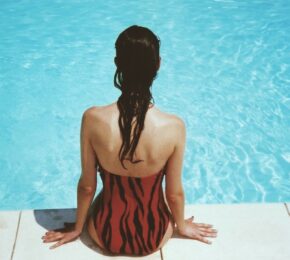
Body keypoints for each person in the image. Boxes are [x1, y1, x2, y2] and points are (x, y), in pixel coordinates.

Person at [41, 25, 217, 256]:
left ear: (117, 63)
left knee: (108, 194)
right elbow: (174, 194)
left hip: (103, 233)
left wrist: (77, 228)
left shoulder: (93, 118)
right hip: (154, 236)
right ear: (158, 64)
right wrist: (181, 226)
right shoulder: (173, 126)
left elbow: (87, 186)